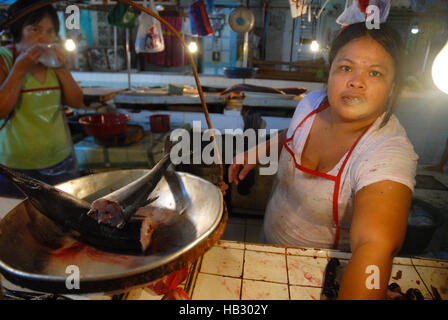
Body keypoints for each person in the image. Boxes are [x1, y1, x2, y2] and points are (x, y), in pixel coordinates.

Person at [228, 22, 418, 300]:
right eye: (345, 67)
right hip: (269, 244)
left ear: (392, 87)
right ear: (329, 73)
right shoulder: (311, 104)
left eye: (375, 73)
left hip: (322, 278)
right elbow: (294, 132)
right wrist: (260, 150)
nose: (356, 81)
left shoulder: (387, 151)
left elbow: (375, 247)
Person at [0, 1, 84, 198]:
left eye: (50, 31)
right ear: (19, 28)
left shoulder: (53, 61)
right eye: (35, 29)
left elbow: (77, 101)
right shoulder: (4, 58)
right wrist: (20, 67)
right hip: (15, 166)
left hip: (61, 161)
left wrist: (62, 68)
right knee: (19, 220)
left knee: (64, 221)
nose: (44, 37)